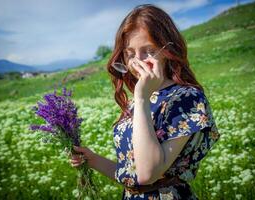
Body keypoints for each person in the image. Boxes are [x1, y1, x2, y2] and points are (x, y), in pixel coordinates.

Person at [70, 4, 221, 200]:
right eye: (130, 53)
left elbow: (148, 174)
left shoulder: (187, 98)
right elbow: (134, 176)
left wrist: (141, 98)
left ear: (167, 50)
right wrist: (93, 160)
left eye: (148, 51)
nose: (136, 62)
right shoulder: (139, 99)